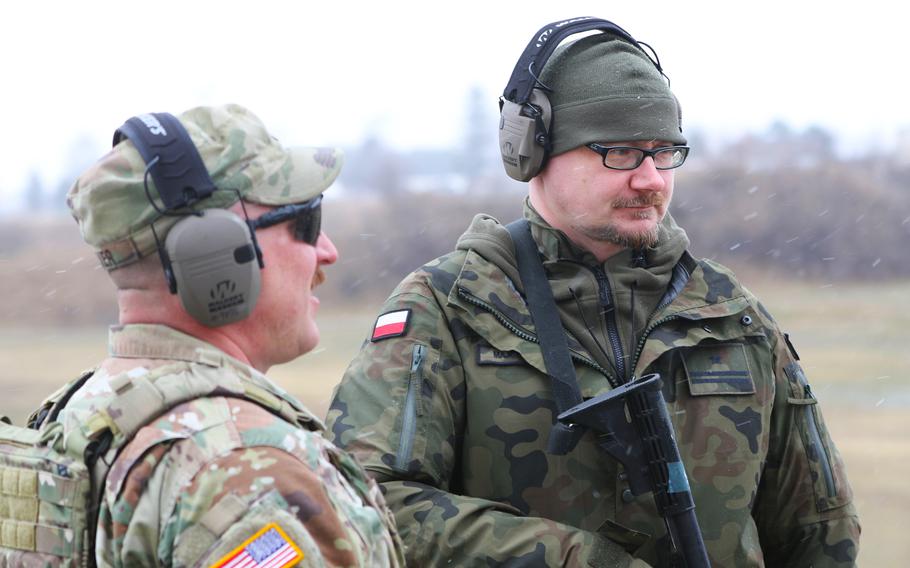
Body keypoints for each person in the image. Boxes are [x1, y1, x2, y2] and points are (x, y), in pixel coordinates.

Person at [326, 18, 860, 567]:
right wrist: (574, 561)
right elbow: (368, 504)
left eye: (664, 152)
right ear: (533, 153)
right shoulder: (449, 307)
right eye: (621, 152)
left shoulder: (730, 313)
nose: (651, 179)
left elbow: (818, 526)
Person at [55, 104, 404, 567]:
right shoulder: (245, 474)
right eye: (306, 222)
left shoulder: (76, 420)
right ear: (214, 254)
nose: (328, 251)